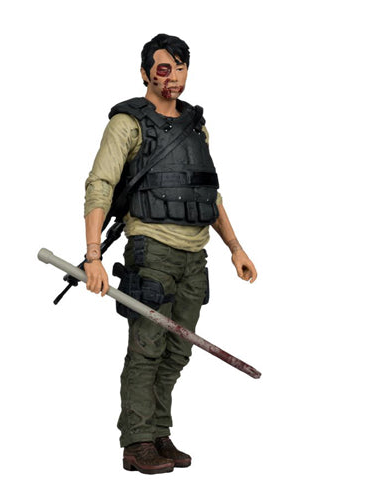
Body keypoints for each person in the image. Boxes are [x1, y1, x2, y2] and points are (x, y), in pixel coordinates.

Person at [83, 34, 257, 474]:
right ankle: (137, 441)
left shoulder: (196, 126)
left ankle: (159, 432)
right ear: (145, 73)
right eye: (164, 68)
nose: (173, 77)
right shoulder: (127, 124)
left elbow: (208, 193)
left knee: (178, 351)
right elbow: (100, 185)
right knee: (147, 348)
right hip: (152, 253)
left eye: (180, 68)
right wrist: (93, 256)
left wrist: (235, 247)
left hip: (195, 257)